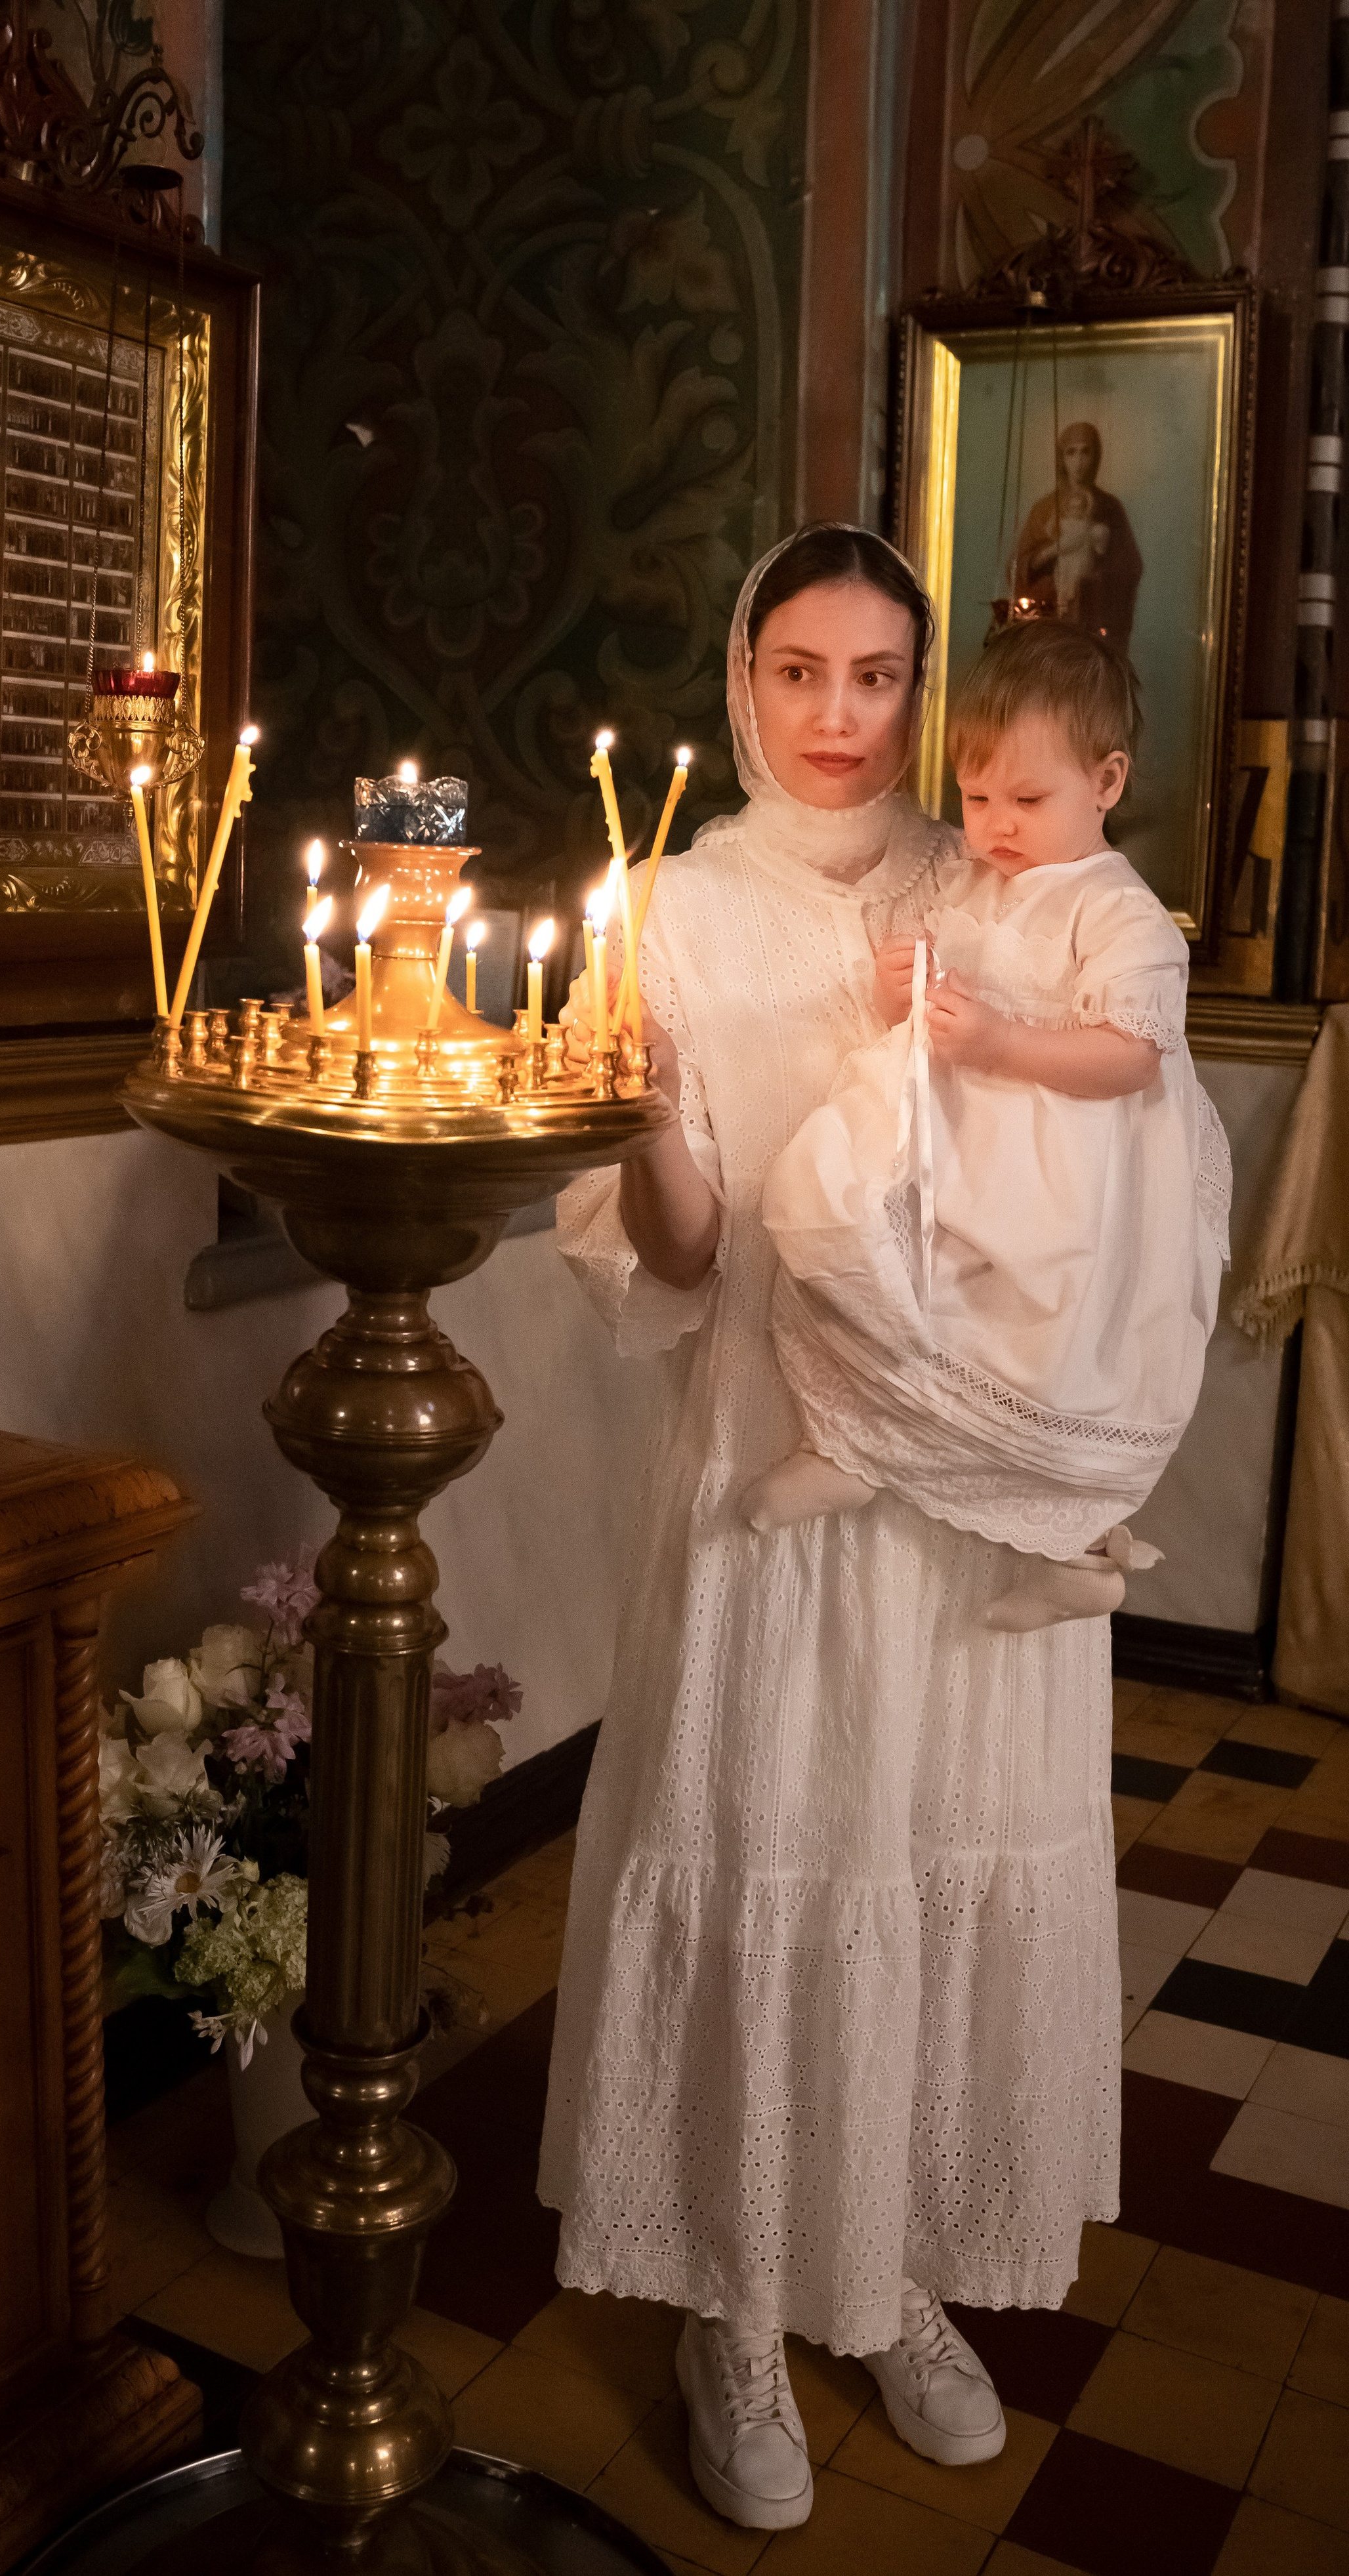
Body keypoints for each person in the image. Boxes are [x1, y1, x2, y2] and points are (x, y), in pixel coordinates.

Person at [539, 525, 1127, 2535]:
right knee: (772, 1837)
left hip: (961, 1468)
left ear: (922, 691)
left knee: (918, 1838)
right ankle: (727, 2296)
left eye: (877, 676)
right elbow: (688, 1255)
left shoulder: (1000, 879)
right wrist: (635, 1106)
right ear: (741, 677)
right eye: (799, 670)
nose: (836, 717)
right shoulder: (673, 906)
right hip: (771, 1446)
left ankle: (880, 2277)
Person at [742, 620, 1230, 1634]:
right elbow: (944, 999)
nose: (996, 824)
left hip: (1062, 1173)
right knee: (832, 1213)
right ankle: (855, 1445)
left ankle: (1083, 1547)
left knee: (1038, 1351)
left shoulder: (1119, 911)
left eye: (1028, 799)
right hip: (956, 1141)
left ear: (1107, 780)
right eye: (976, 798)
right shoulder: (976, 880)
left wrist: (1004, 1042)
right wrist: (904, 990)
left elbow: (1135, 1052)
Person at [1007, 422, 1142, 650]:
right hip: (1050, 624)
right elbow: (1020, 567)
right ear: (1062, 459)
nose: (1078, 461)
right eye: (1071, 453)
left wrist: (1090, 579)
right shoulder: (1045, 509)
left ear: (1096, 457)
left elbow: (1129, 568)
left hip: (1095, 623)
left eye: (1085, 452)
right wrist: (1054, 551)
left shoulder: (1110, 509)